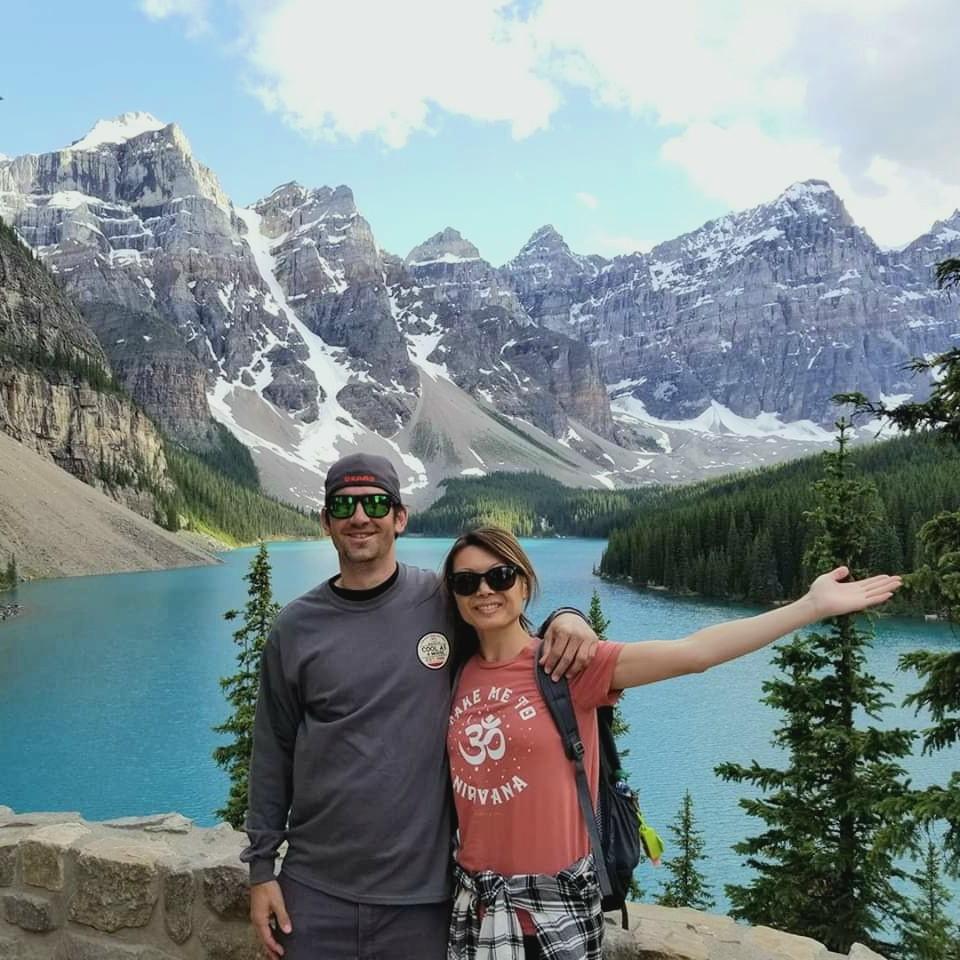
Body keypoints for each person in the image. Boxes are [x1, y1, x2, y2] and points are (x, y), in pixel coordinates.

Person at [443, 526, 903, 960]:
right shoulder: (453, 673)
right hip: (473, 906)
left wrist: (810, 606)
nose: (483, 590)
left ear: (524, 584)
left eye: (499, 575)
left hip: (554, 908)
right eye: (466, 582)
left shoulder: (567, 665)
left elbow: (694, 653)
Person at [241, 454, 601, 960]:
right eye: (343, 504)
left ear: (399, 517)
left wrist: (568, 616)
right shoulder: (295, 628)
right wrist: (261, 869)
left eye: (375, 504)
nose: (359, 516)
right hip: (313, 890)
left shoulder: (442, 600)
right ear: (325, 520)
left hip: (423, 900)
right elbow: (272, 752)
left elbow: (508, 627)